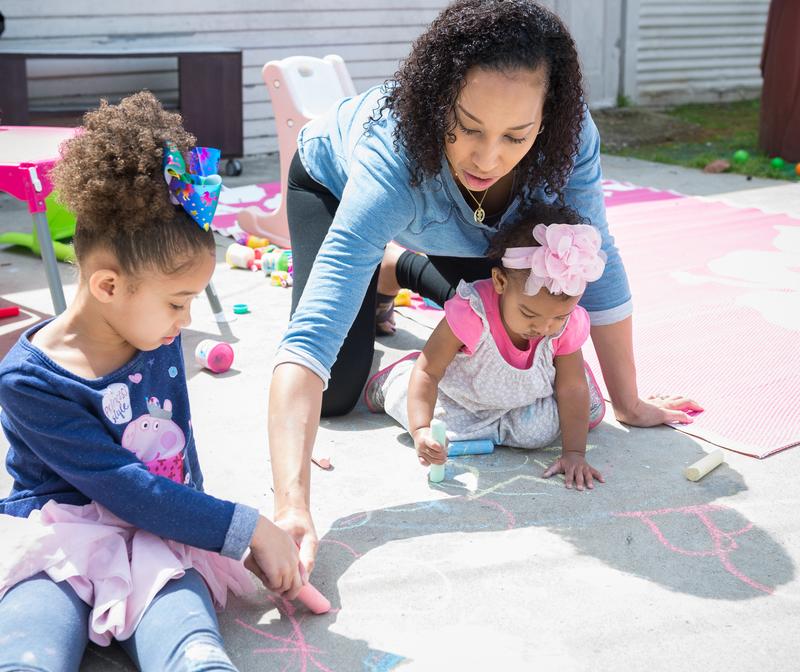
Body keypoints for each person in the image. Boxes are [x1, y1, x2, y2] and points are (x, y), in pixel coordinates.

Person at [269, 0, 701, 573]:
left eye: (516, 136)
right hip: (328, 183)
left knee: (516, 303)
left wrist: (629, 401)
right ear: (436, 103)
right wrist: (291, 508)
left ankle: (395, 266)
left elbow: (598, 257)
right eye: (468, 128)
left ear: (546, 120)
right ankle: (386, 263)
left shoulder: (569, 140)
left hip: (478, 236)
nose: (488, 158)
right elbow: (311, 337)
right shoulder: (392, 159)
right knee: (338, 394)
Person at [0, 92, 303, 672]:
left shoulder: (152, 335)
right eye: (176, 302)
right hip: (60, 537)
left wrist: (210, 531)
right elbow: (127, 487)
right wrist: (246, 529)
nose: (185, 321)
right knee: (31, 639)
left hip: (157, 534)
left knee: (189, 637)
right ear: (108, 287)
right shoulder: (28, 381)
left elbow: (168, 469)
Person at [365, 204, 607, 491]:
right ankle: (396, 380)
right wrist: (421, 430)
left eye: (559, 317)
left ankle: (570, 392)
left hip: (521, 402)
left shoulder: (564, 325)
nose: (544, 328)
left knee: (544, 430)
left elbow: (571, 387)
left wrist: (574, 453)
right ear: (500, 281)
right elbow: (429, 372)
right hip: (463, 399)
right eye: (529, 314)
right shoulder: (472, 313)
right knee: (436, 428)